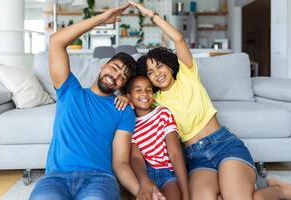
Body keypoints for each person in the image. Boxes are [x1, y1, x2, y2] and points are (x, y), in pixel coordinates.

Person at [117, 1, 291, 199]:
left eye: (160, 66)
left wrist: (150, 14)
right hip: (195, 158)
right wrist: (124, 96)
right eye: (151, 72)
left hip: (224, 144)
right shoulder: (155, 99)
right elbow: (137, 96)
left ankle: (277, 189)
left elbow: (179, 39)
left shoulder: (187, 74)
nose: (157, 73)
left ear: (169, 65)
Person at [29, 4, 165, 200]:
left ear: (122, 86)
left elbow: (120, 163)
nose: (116, 76)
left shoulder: (123, 110)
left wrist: (141, 192)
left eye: (122, 77)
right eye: (115, 68)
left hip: (98, 180)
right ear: (103, 66)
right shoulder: (69, 90)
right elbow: (56, 41)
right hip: (56, 178)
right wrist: (100, 19)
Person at [126, 75, 189, 200]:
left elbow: (175, 153)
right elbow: (135, 158)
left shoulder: (162, 113)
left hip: (167, 173)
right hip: (144, 173)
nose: (144, 93)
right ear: (129, 97)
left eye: (149, 90)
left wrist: (186, 195)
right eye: (138, 90)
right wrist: (144, 181)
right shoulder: (129, 123)